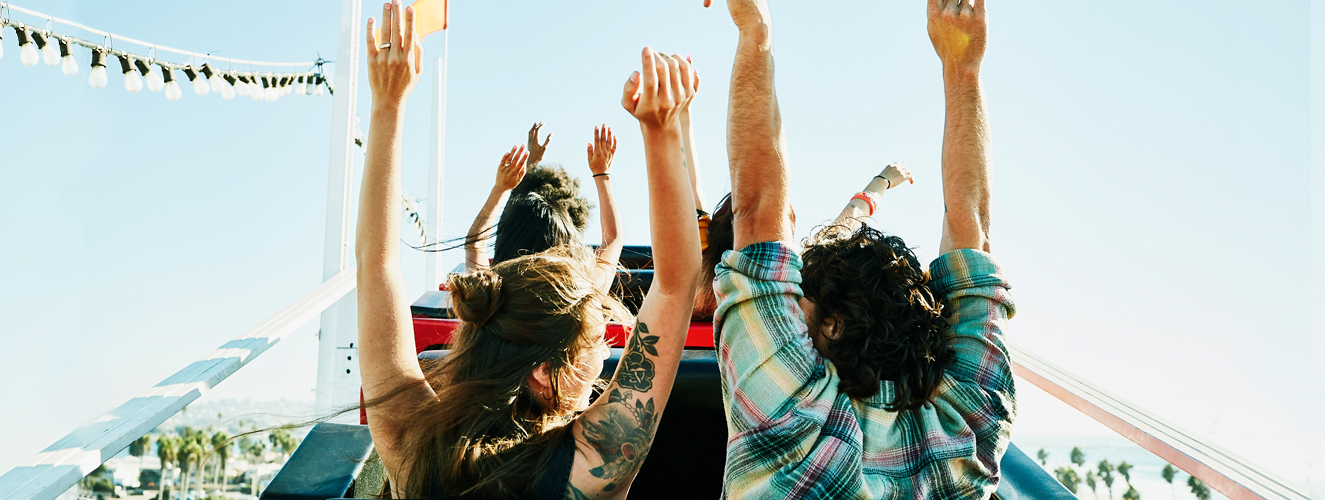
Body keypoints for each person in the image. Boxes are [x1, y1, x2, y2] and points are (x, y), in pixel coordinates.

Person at [354, 3, 701, 498]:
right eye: (596, 344)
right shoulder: (587, 468)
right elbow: (676, 283)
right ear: (545, 372)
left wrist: (388, 104)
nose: (605, 355)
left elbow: (375, 266)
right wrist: (663, 131)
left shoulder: (411, 443)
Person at [709, 0, 1016, 498]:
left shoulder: (786, 415)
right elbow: (973, 231)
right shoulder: (969, 429)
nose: (793, 300)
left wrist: (755, 27)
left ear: (834, 323)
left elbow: (757, 207)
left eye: (803, 293)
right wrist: (964, 67)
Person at [464, 124, 623, 294]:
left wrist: (500, 189)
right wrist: (602, 173)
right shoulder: (582, 296)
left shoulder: (487, 298)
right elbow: (612, 239)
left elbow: (475, 245)